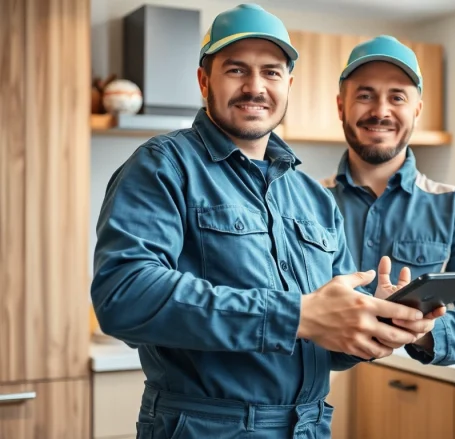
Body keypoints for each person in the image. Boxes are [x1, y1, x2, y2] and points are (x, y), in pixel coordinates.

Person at [90, 6, 435, 439]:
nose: (255, 87)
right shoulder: (163, 166)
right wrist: (296, 315)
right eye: (236, 70)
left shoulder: (315, 198)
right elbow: (123, 295)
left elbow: (327, 345)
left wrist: (375, 321)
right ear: (204, 81)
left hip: (308, 427)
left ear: (288, 85)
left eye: (271, 72)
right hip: (204, 428)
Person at [322, 35, 455, 366]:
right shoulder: (302, 201)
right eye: (365, 95)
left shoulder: (453, 207)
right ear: (341, 106)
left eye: (397, 97)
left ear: (417, 109)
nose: (380, 111)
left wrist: (420, 330)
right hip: (311, 389)